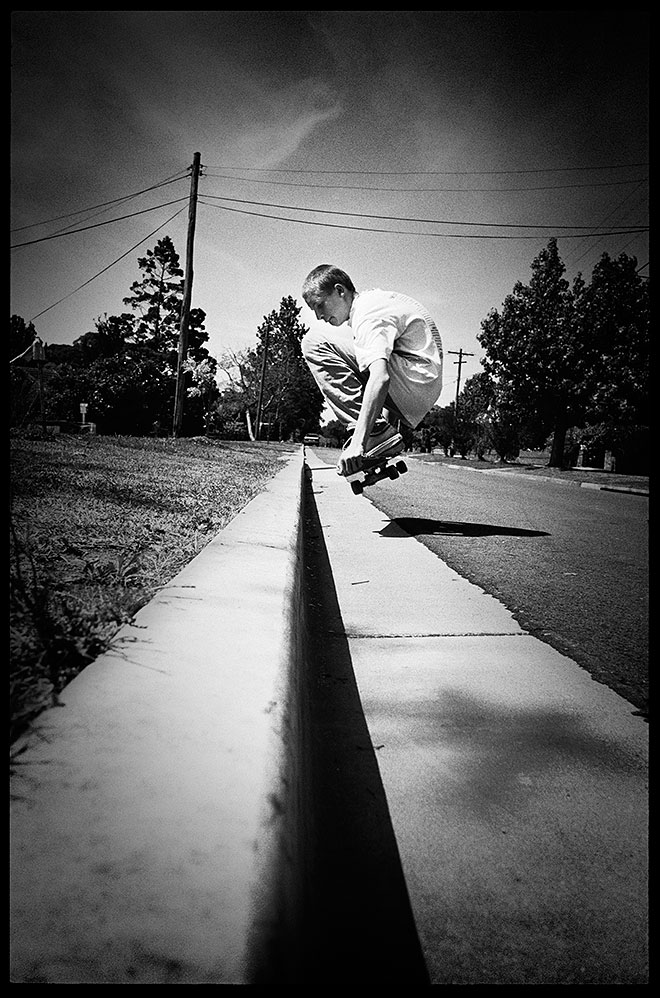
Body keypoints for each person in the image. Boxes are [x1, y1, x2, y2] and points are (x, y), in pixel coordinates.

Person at [301, 264, 443, 477]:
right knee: (364, 357)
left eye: (320, 305)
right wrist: (387, 436)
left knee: (314, 343)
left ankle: (374, 432)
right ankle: (379, 433)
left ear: (340, 291)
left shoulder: (367, 313)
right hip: (419, 381)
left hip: (414, 381)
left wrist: (360, 441)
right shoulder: (374, 303)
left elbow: (380, 378)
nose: (319, 316)